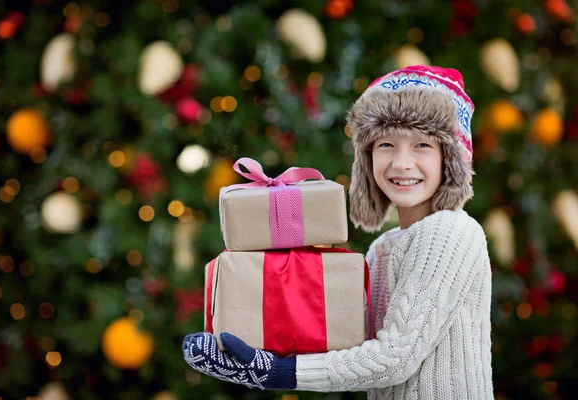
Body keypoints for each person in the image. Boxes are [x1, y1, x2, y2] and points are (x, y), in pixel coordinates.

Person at [183, 65, 493, 400]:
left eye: (422, 145)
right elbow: (356, 354)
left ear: (451, 158)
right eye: (386, 144)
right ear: (367, 157)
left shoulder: (452, 231)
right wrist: (260, 352)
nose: (402, 163)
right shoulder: (382, 248)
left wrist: (274, 371)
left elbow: (395, 358)